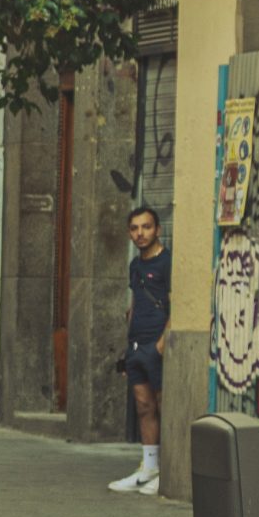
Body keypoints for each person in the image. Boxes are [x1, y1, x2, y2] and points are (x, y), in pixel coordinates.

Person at [111, 206, 171, 493]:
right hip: (136, 346)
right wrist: (129, 346)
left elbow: (176, 304)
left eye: (146, 227)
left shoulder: (167, 262)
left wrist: (161, 345)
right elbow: (134, 303)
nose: (140, 233)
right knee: (144, 407)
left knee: (163, 407)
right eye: (134, 228)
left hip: (157, 345)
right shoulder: (135, 265)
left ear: (157, 229)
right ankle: (149, 468)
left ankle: (168, 473)